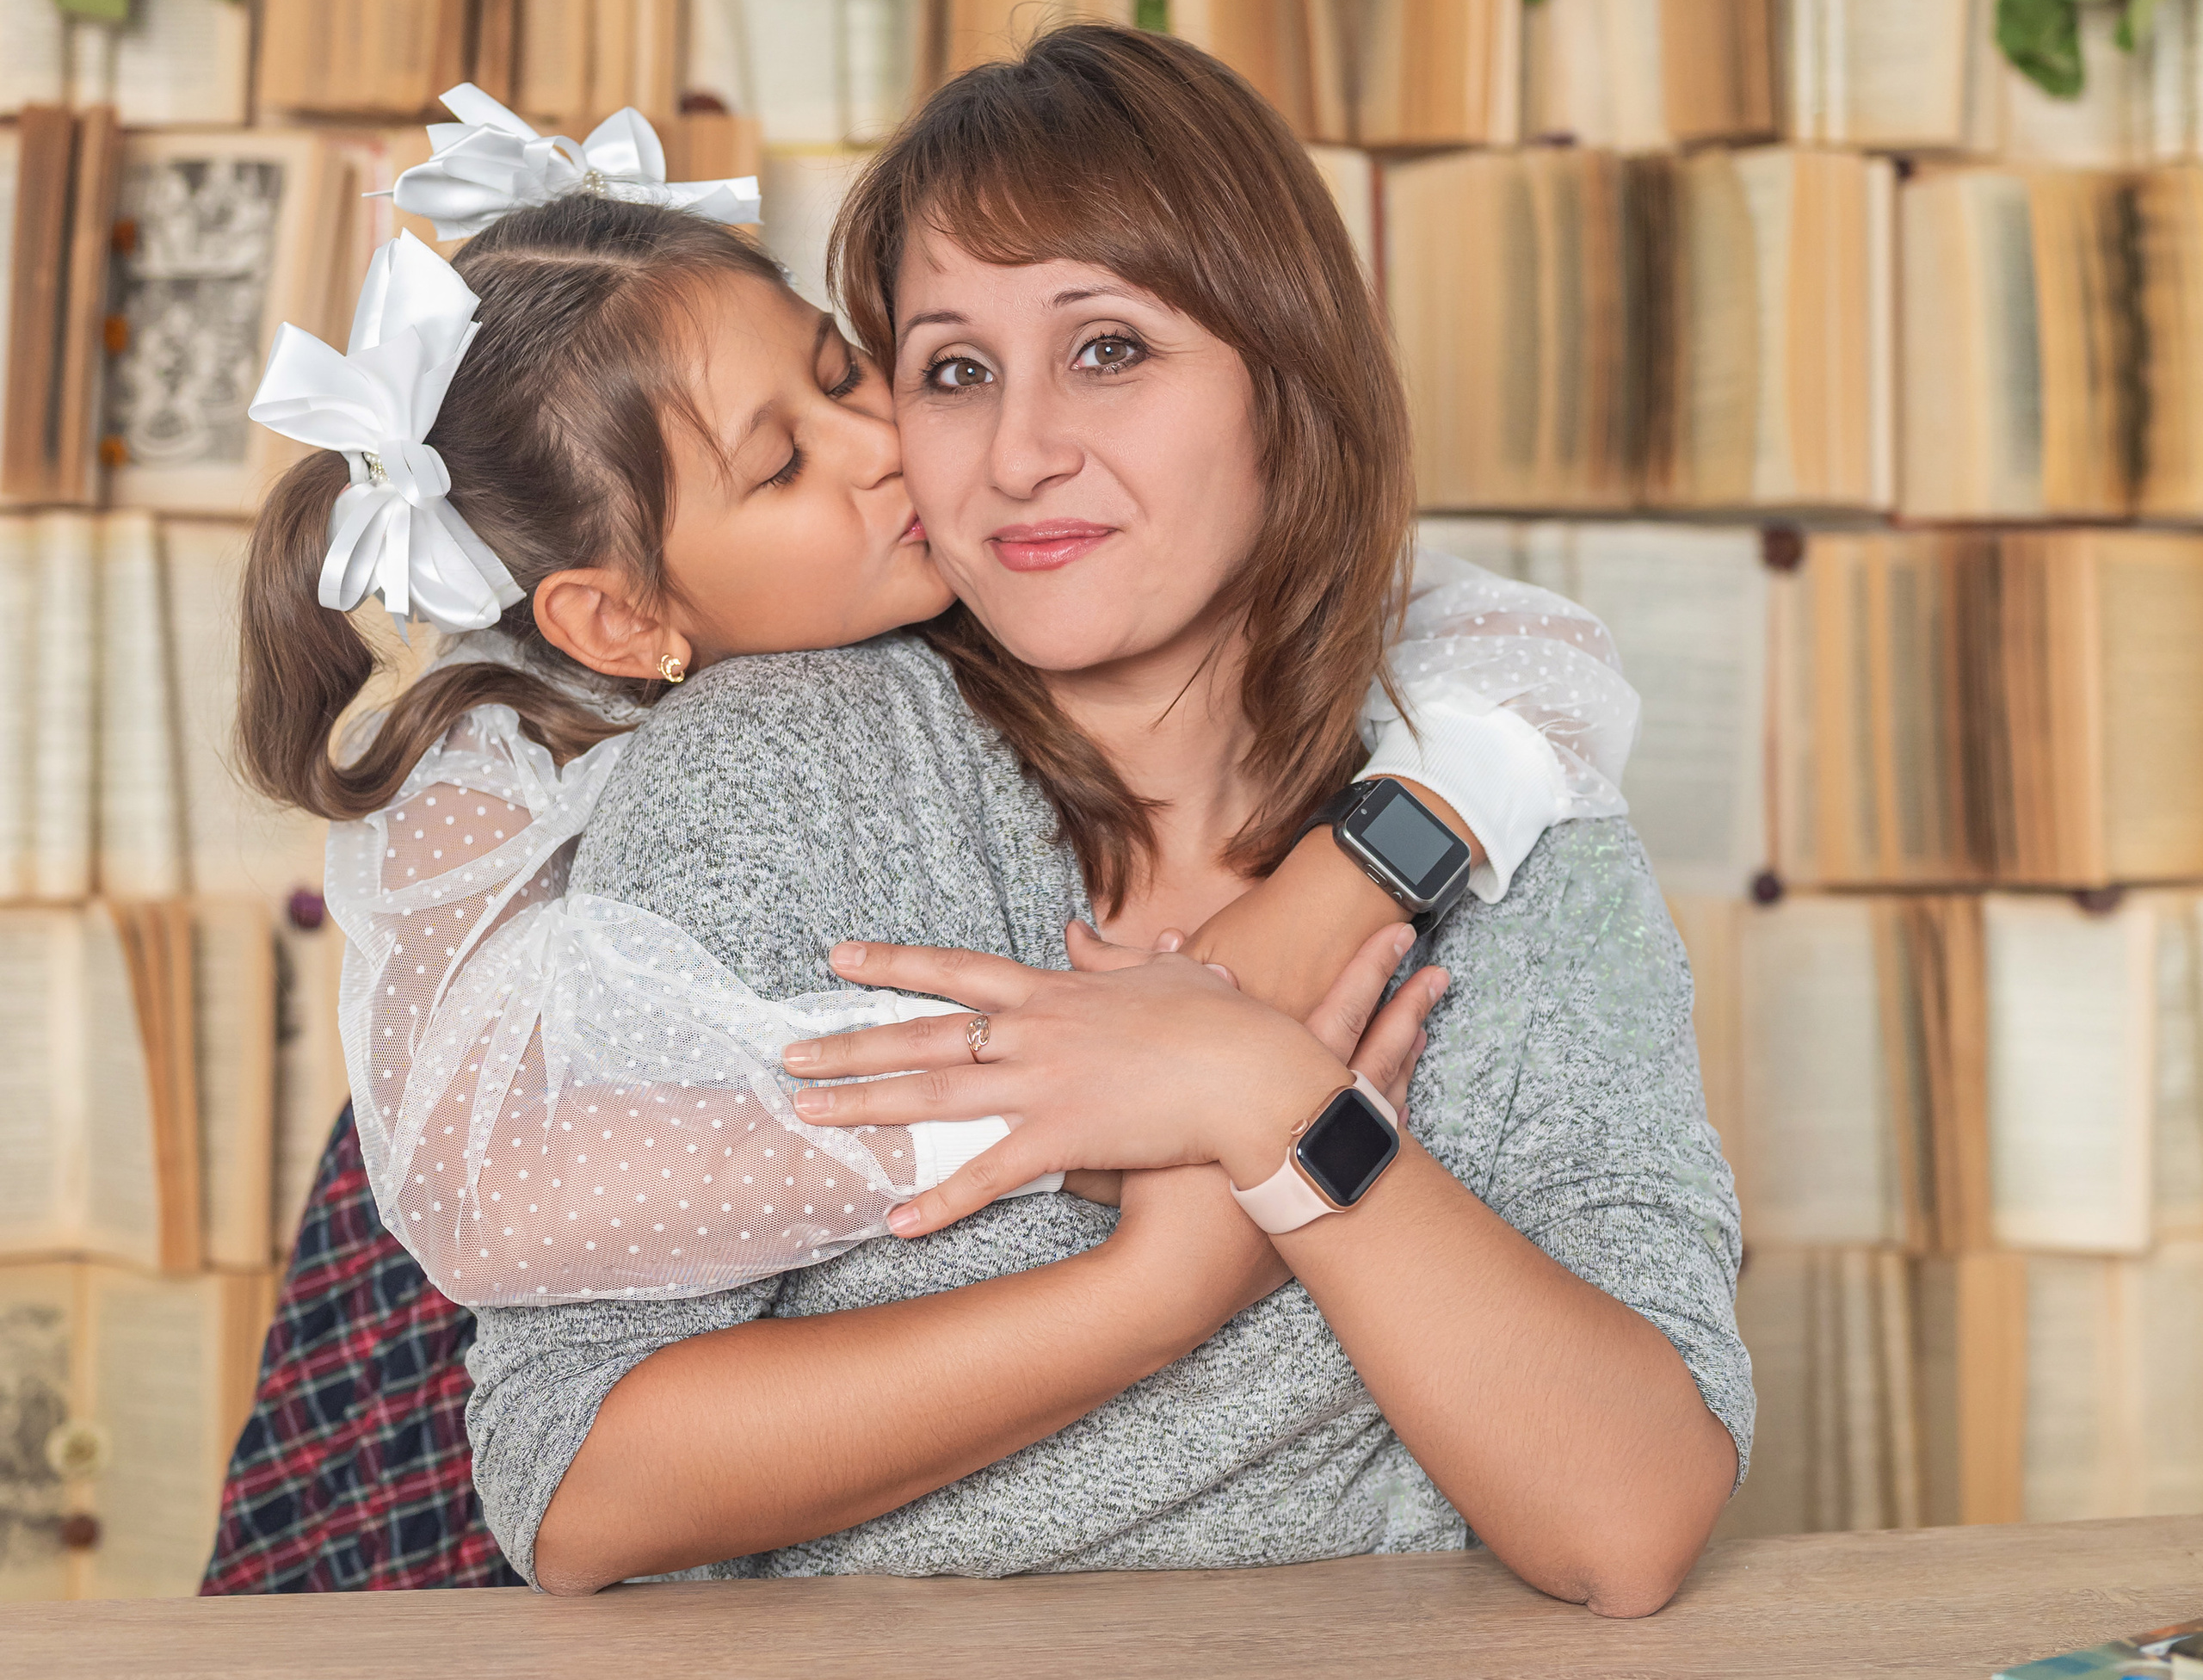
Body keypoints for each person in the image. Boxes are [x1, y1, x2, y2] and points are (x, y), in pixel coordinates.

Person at [453, 28, 1749, 1614]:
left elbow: (1628, 1520)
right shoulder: (782, 772)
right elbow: (572, 1484)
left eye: (1111, 349)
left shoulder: (1501, 804)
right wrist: (1160, 1288)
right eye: (951, 370)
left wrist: (1267, 1103)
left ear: (1289, 377)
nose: (1019, 453)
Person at [233, 85, 1634, 1318]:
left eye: (850, 369)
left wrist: (1340, 882)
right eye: (784, 465)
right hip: (461, 1330)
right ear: (619, 619)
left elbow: (1528, 649)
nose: (891, 443)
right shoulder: (484, 771)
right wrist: (1074, 1108)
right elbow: (504, 1200)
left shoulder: (1017, 572)